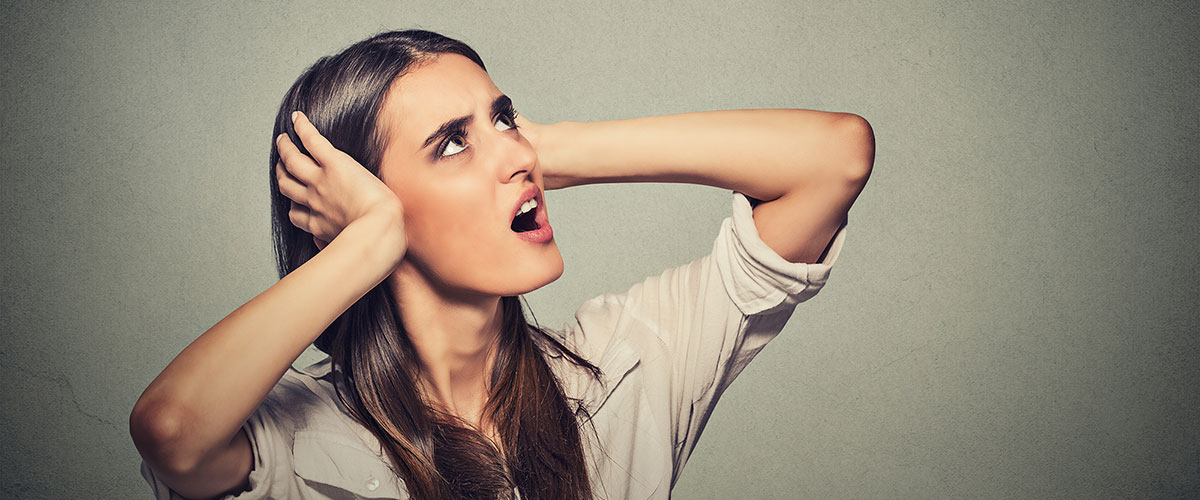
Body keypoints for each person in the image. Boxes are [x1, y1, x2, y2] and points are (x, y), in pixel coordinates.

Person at [129, 29, 873, 500]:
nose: (514, 151)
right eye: (452, 142)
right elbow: (171, 429)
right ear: (363, 206)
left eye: (504, 114)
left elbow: (834, 158)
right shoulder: (295, 444)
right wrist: (367, 242)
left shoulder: (625, 365)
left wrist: (546, 151)